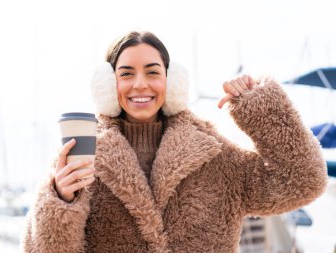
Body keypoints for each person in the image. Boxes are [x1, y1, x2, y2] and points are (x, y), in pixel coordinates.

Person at [21, 31, 328, 253]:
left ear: (172, 82)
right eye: (126, 73)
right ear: (107, 84)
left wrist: (260, 106)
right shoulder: (81, 159)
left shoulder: (213, 156)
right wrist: (61, 201)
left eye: (152, 72)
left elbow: (303, 181)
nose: (140, 84)